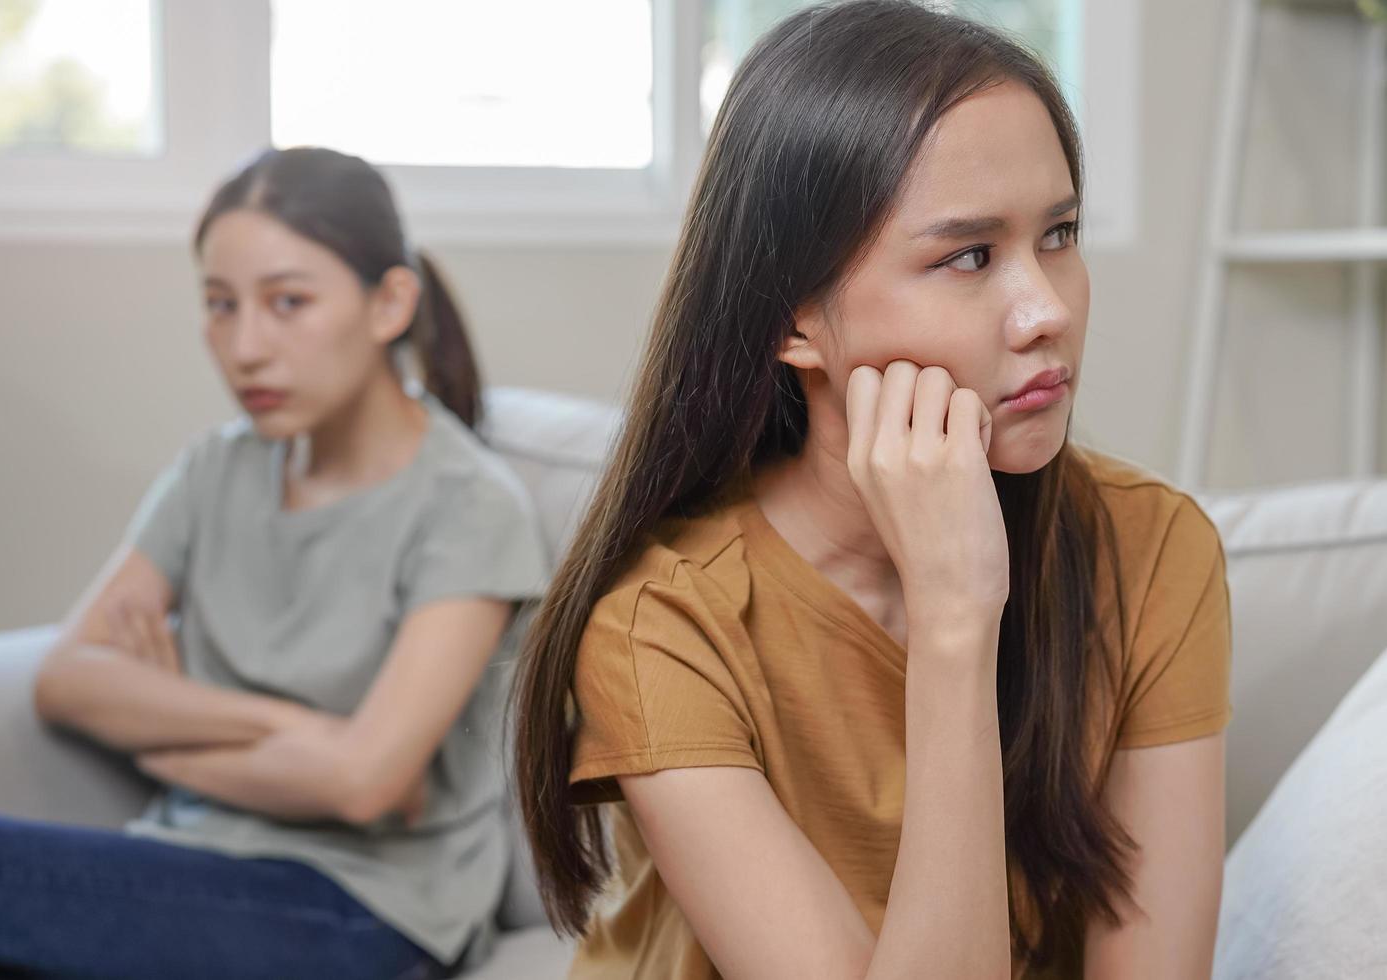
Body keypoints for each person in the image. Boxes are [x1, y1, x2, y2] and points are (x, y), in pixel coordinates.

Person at [513, 3, 1230, 978]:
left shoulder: (1154, 553)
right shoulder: (663, 625)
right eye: (969, 255)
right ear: (794, 320)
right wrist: (953, 617)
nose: (1048, 308)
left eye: (1059, 233)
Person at [0, 147, 547, 980]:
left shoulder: (469, 505)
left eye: (288, 302)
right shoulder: (214, 469)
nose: (245, 346)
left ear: (390, 302)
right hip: (189, 869)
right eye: (219, 306)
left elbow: (368, 785)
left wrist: (162, 731)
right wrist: (299, 732)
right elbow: (66, 679)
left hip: (368, 913)